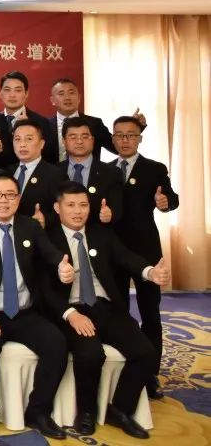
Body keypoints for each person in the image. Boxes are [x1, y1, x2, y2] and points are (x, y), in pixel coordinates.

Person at [42, 182, 168, 438]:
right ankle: (86, 413)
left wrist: (149, 272)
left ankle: (119, 410)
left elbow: (126, 257)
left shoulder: (101, 234)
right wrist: (71, 315)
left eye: (83, 205)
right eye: (70, 205)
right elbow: (42, 288)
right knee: (91, 354)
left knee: (145, 352)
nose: (78, 211)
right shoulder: (47, 239)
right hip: (71, 310)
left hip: (105, 306)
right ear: (57, 208)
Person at [0, 174, 71, 441]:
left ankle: (38, 411)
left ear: (18, 199)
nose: (3, 201)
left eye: (10, 195)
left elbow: (50, 253)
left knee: (57, 343)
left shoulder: (30, 227)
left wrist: (61, 265)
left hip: (25, 312)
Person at [110, 115, 179, 398]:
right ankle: (122, 366)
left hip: (146, 251)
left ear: (140, 138)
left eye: (131, 135)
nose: (125, 140)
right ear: (112, 139)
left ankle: (150, 373)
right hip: (113, 252)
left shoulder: (154, 168)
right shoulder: (106, 169)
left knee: (150, 312)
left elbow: (171, 198)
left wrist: (165, 203)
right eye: (119, 135)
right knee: (118, 310)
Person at [59, 117, 123, 227]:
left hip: (99, 233)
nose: (79, 141)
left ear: (92, 140)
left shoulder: (112, 173)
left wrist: (110, 214)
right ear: (64, 141)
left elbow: (118, 210)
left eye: (85, 137)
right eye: (73, 137)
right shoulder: (53, 171)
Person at [7, 119, 67, 233]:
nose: (22, 144)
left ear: (41, 144)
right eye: (17, 139)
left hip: (38, 237)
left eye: (29, 139)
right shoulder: (6, 172)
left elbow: (65, 209)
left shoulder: (55, 175)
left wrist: (45, 220)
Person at [45, 77, 120, 164]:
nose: (67, 97)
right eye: (61, 94)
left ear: (79, 98)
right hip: (53, 172)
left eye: (71, 93)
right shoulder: (44, 125)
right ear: (52, 100)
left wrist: (133, 126)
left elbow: (118, 148)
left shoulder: (95, 123)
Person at [0, 71, 54, 165]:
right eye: (7, 90)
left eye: (18, 90)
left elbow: (48, 158)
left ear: (26, 93)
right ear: (0, 92)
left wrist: (28, 127)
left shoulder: (41, 122)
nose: (12, 95)